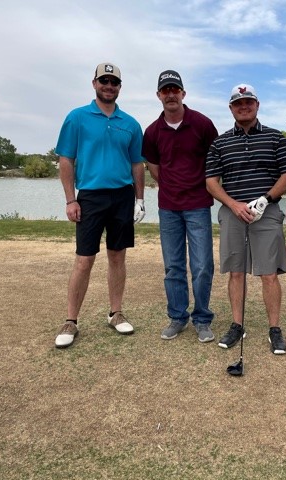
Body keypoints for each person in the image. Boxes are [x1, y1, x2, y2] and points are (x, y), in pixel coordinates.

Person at [54, 62, 146, 349]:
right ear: (94, 83)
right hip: (90, 196)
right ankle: (71, 320)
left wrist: (140, 199)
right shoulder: (77, 118)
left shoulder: (130, 123)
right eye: (104, 81)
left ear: (119, 87)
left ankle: (115, 313)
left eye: (114, 82)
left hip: (122, 196)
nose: (109, 86)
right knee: (84, 259)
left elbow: (137, 164)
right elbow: (66, 159)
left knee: (117, 257)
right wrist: (71, 199)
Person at [206, 84, 286, 355]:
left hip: (266, 212)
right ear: (231, 108)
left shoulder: (275, 138)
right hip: (233, 213)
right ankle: (237, 324)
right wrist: (233, 205)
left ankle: (274, 329)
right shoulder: (220, 142)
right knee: (236, 272)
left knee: (269, 274)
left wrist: (266, 199)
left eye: (248, 102)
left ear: (257, 105)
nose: (243, 107)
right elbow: (211, 182)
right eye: (238, 103)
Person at [142, 70, 218, 343]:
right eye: (166, 90)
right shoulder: (152, 131)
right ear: (159, 95)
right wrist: (172, 186)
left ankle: (202, 318)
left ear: (183, 93)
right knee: (173, 267)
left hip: (198, 204)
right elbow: (153, 166)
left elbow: (215, 160)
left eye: (175, 89)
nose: (171, 94)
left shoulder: (202, 124)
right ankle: (177, 316)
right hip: (169, 207)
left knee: (202, 265)